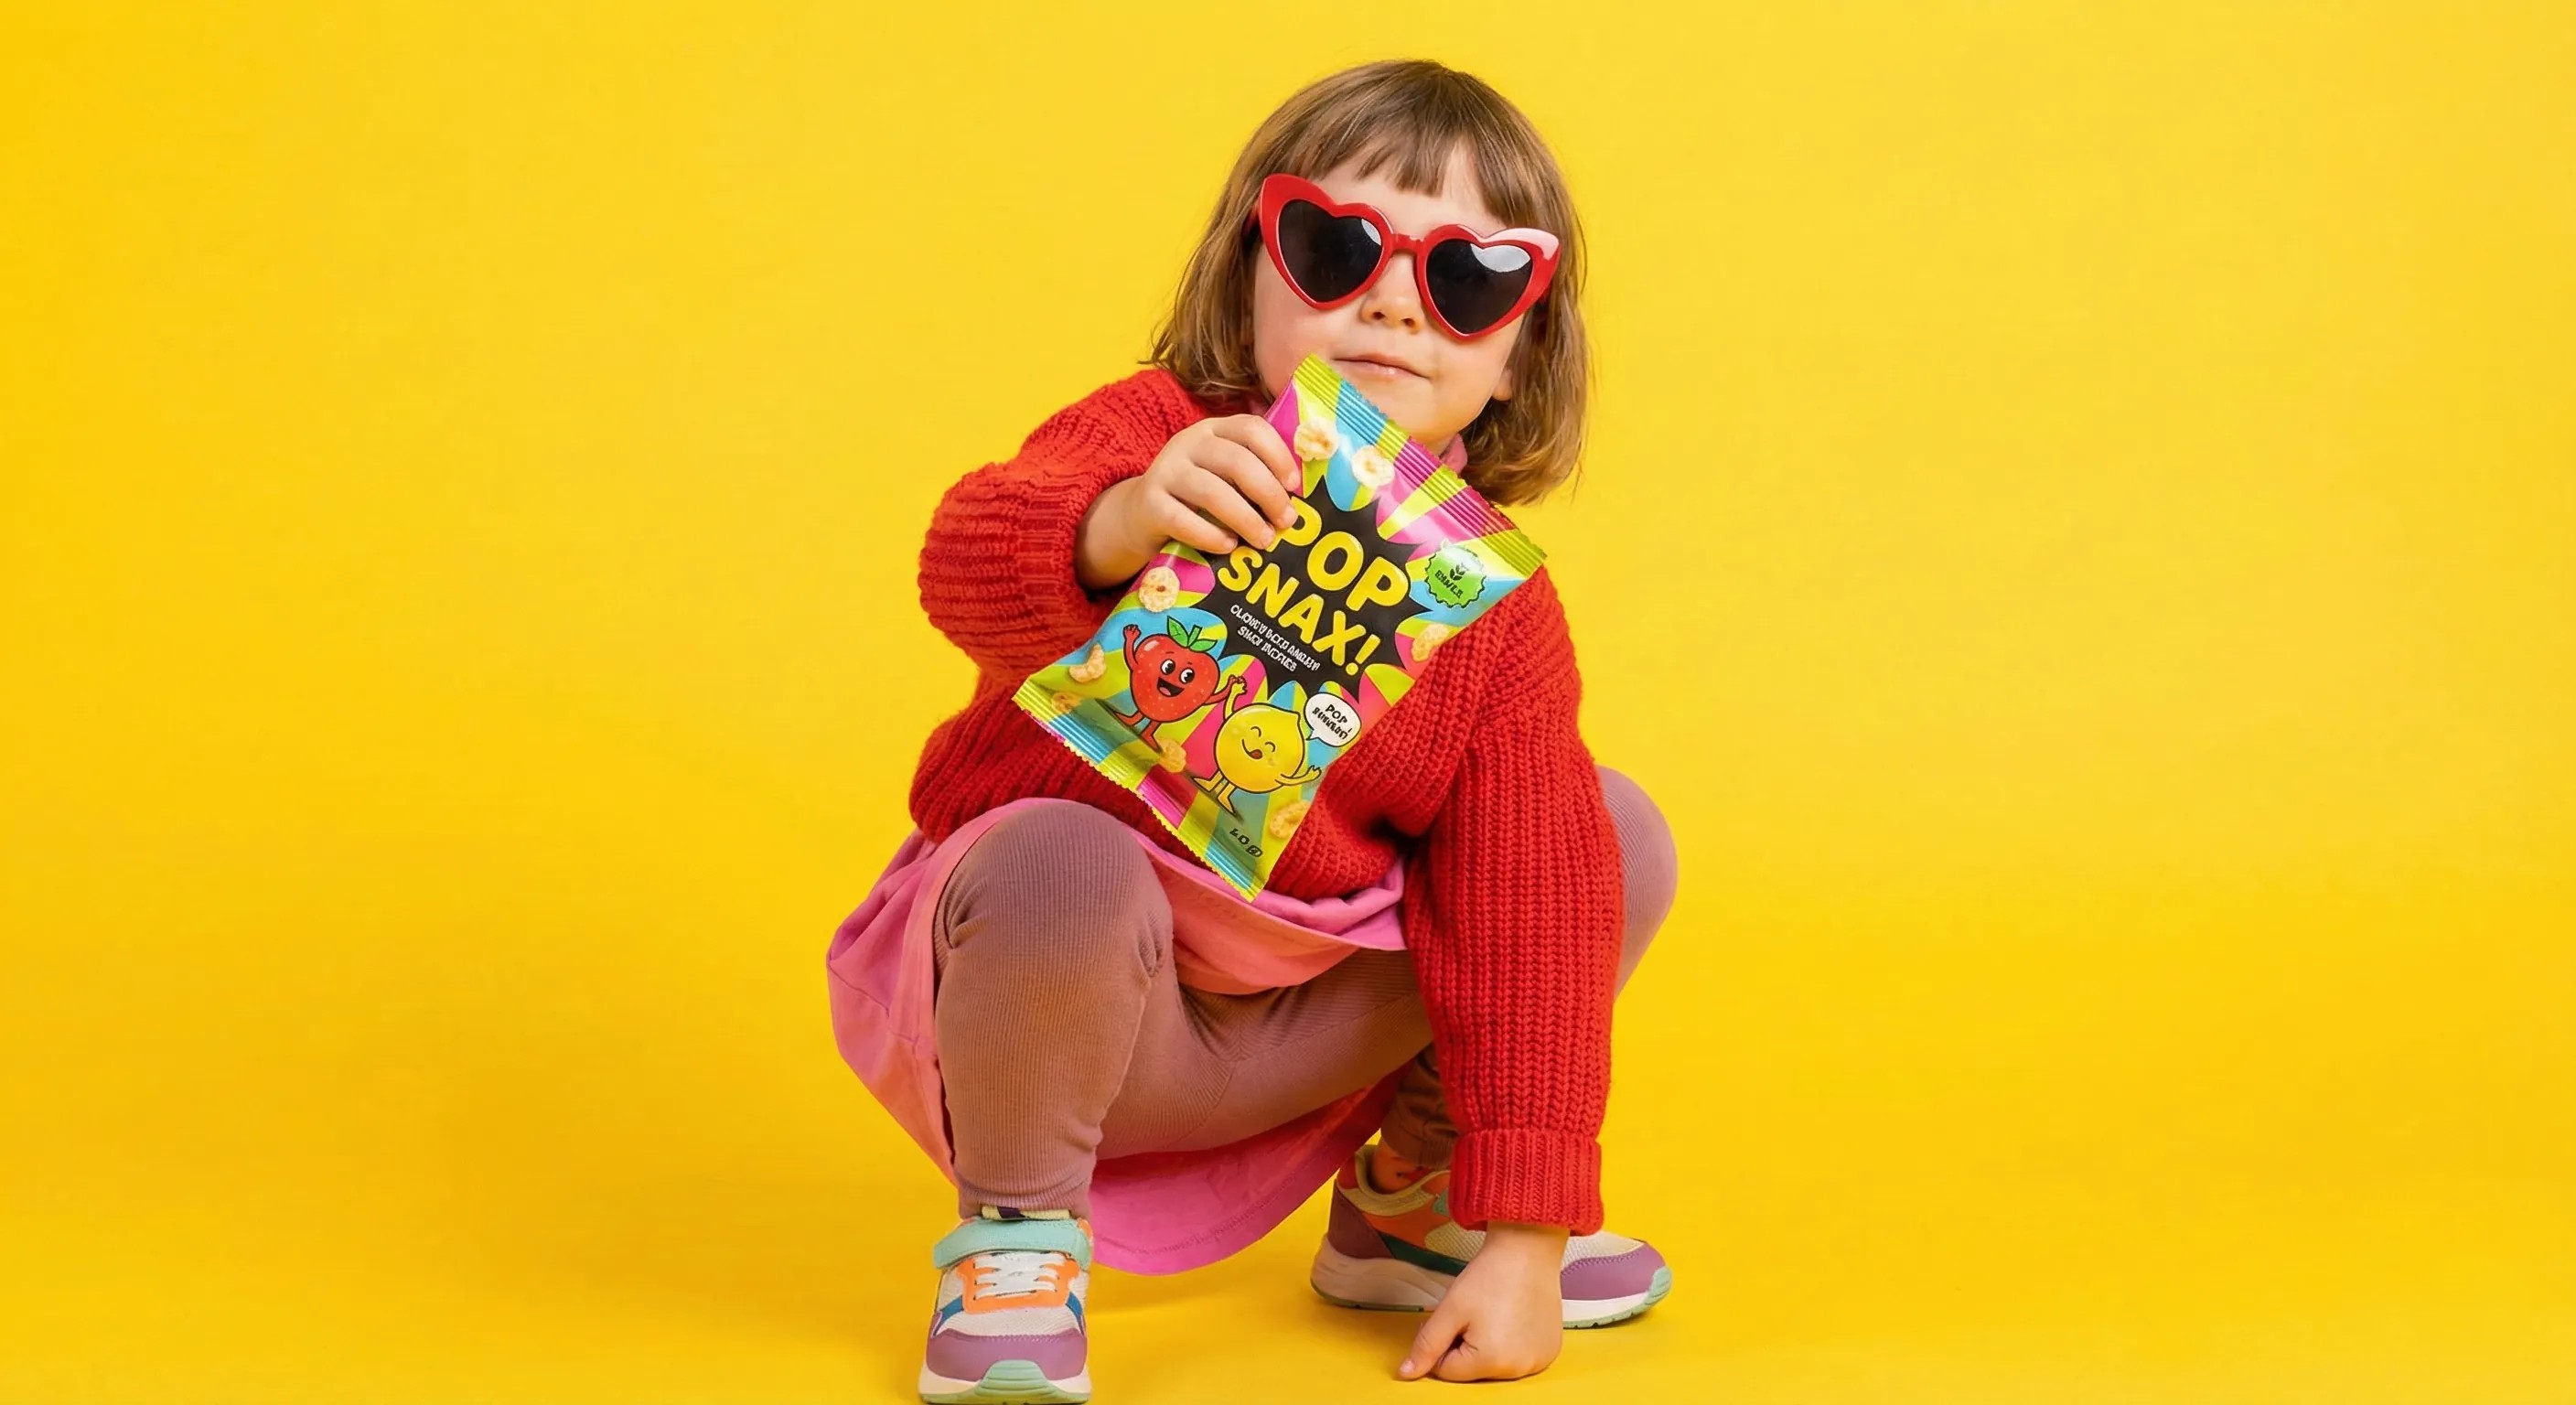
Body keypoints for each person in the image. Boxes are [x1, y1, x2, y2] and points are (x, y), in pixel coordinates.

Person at [825, 58, 1680, 1404]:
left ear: (1520, 350)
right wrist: (1117, 522)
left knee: (1597, 836)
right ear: (1249, 278)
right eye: (1338, 250)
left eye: (1465, 280)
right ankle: (1016, 1239)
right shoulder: (1156, 439)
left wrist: (1526, 1234)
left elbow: (1528, 906)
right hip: (1070, 1002)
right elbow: (958, 561)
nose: (1397, 298)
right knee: (1059, 856)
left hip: (1303, 1025)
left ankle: (1418, 1200)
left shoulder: (1494, 612)